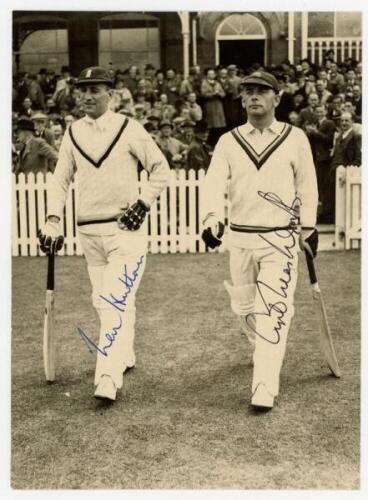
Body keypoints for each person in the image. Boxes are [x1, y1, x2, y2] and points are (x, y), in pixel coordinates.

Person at [37, 67, 170, 402]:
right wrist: (53, 219)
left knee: (113, 300)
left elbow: (160, 169)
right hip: (89, 233)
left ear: (111, 94)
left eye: (95, 90)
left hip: (125, 231)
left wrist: (143, 202)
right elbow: (60, 180)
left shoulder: (129, 128)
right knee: (105, 301)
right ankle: (124, 354)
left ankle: (107, 378)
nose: (87, 96)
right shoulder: (72, 132)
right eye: (82, 90)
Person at [200, 71, 318, 410]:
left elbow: (307, 186)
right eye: (248, 92)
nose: (254, 97)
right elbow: (212, 184)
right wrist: (211, 219)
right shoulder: (228, 140)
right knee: (245, 307)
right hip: (239, 238)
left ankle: (265, 385)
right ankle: (261, 347)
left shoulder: (294, 137)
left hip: (279, 241)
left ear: (277, 98)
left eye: (262, 92)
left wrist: (308, 228)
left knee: (273, 312)